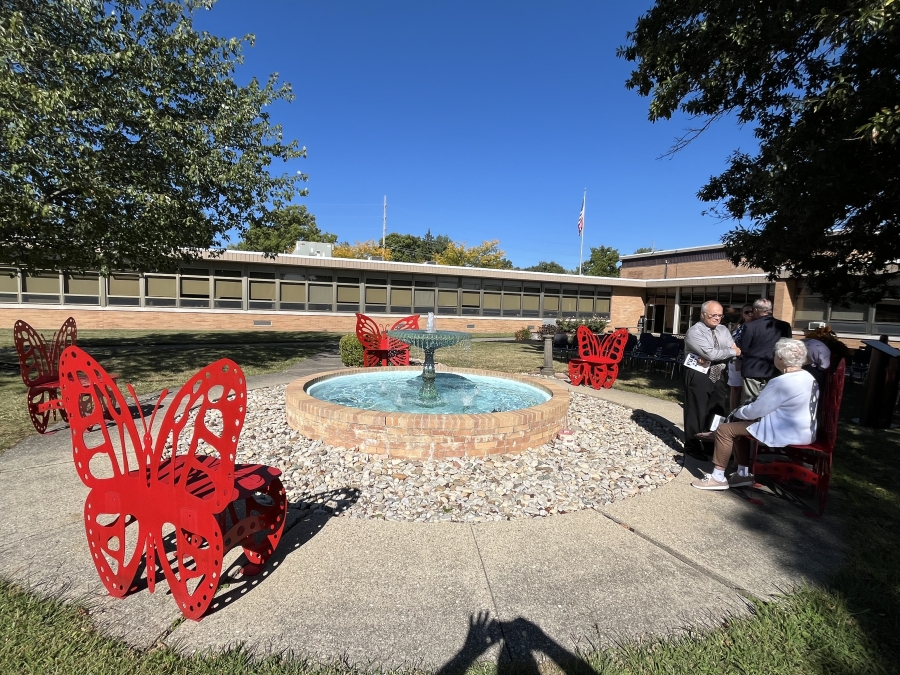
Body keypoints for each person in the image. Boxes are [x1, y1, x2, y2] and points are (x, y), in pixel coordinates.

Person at [691, 339, 818, 490]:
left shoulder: (782, 381)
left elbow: (758, 409)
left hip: (785, 431)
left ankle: (717, 478)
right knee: (737, 427)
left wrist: (738, 411)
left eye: (775, 355)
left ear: (781, 358)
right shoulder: (809, 378)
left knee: (726, 430)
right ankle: (742, 474)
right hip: (803, 430)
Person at [682, 300, 741, 458]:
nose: (717, 318)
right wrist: (729, 351)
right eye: (713, 315)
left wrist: (723, 352)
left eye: (720, 315)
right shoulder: (695, 331)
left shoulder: (723, 330)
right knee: (696, 411)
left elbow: (731, 349)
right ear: (703, 315)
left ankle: (711, 444)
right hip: (699, 374)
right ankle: (693, 446)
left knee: (716, 410)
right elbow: (713, 354)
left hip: (718, 373)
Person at [736, 298, 792, 404]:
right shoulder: (784, 326)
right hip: (775, 367)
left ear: (756, 310)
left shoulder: (750, 326)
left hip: (752, 368)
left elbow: (744, 348)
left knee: (750, 402)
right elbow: (788, 345)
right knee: (772, 400)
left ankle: (750, 420)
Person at [726, 304, 755, 412]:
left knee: (748, 390)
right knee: (736, 389)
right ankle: (732, 413)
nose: (750, 314)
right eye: (747, 312)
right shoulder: (738, 329)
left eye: (752, 311)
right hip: (736, 362)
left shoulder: (757, 328)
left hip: (751, 363)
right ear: (743, 315)